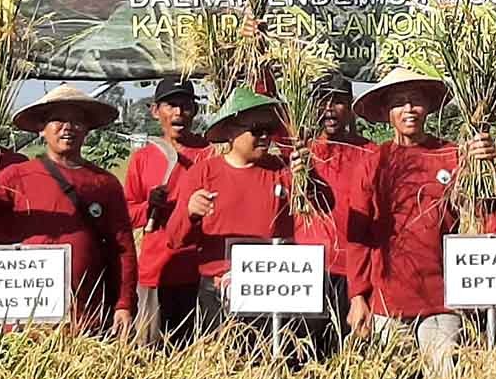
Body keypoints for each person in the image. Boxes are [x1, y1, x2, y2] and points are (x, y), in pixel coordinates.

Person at [351, 66, 496, 374]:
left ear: (428, 107)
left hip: (443, 299)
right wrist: (357, 296)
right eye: (399, 102)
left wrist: (484, 168)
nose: (408, 109)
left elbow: (482, 213)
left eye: (416, 100)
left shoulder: (454, 155)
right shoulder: (374, 161)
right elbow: (358, 237)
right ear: (387, 111)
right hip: (388, 300)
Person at [0, 84, 137, 333]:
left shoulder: (104, 183)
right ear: (42, 130)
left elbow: (122, 247)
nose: (68, 127)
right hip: (25, 319)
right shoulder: (16, 176)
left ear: (87, 129)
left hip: (86, 315)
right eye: (58, 120)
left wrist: (124, 303)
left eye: (77, 121)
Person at [162, 87, 297, 332]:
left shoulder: (282, 171)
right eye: (257, 131)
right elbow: (174, 238)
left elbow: (323, 205)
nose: (265, 137)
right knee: (223, 365)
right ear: (231, 133)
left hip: (270, 287)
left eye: (269, 130)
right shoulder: (203, 173)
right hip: (217, 291)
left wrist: (308, 176)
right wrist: (190, 212)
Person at [125, 76, 213, 345]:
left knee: (200, 355)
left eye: (185, 106)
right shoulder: (143, 158)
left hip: (202, 274)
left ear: (195, 110)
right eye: (171, 105)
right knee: (148, 354)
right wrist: (150, 207)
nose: (178, 113)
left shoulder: (212, 153)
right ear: (155, 111)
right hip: (155, 273)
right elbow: (128, 213)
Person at [298, 70, 377, 351]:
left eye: (337, 101)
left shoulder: (369, 153)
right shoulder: (299, 152)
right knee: (305, 356)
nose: (329, 108)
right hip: (305, 271)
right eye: (321, 100)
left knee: (350, 356)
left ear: (351, 105)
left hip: (352, 273)